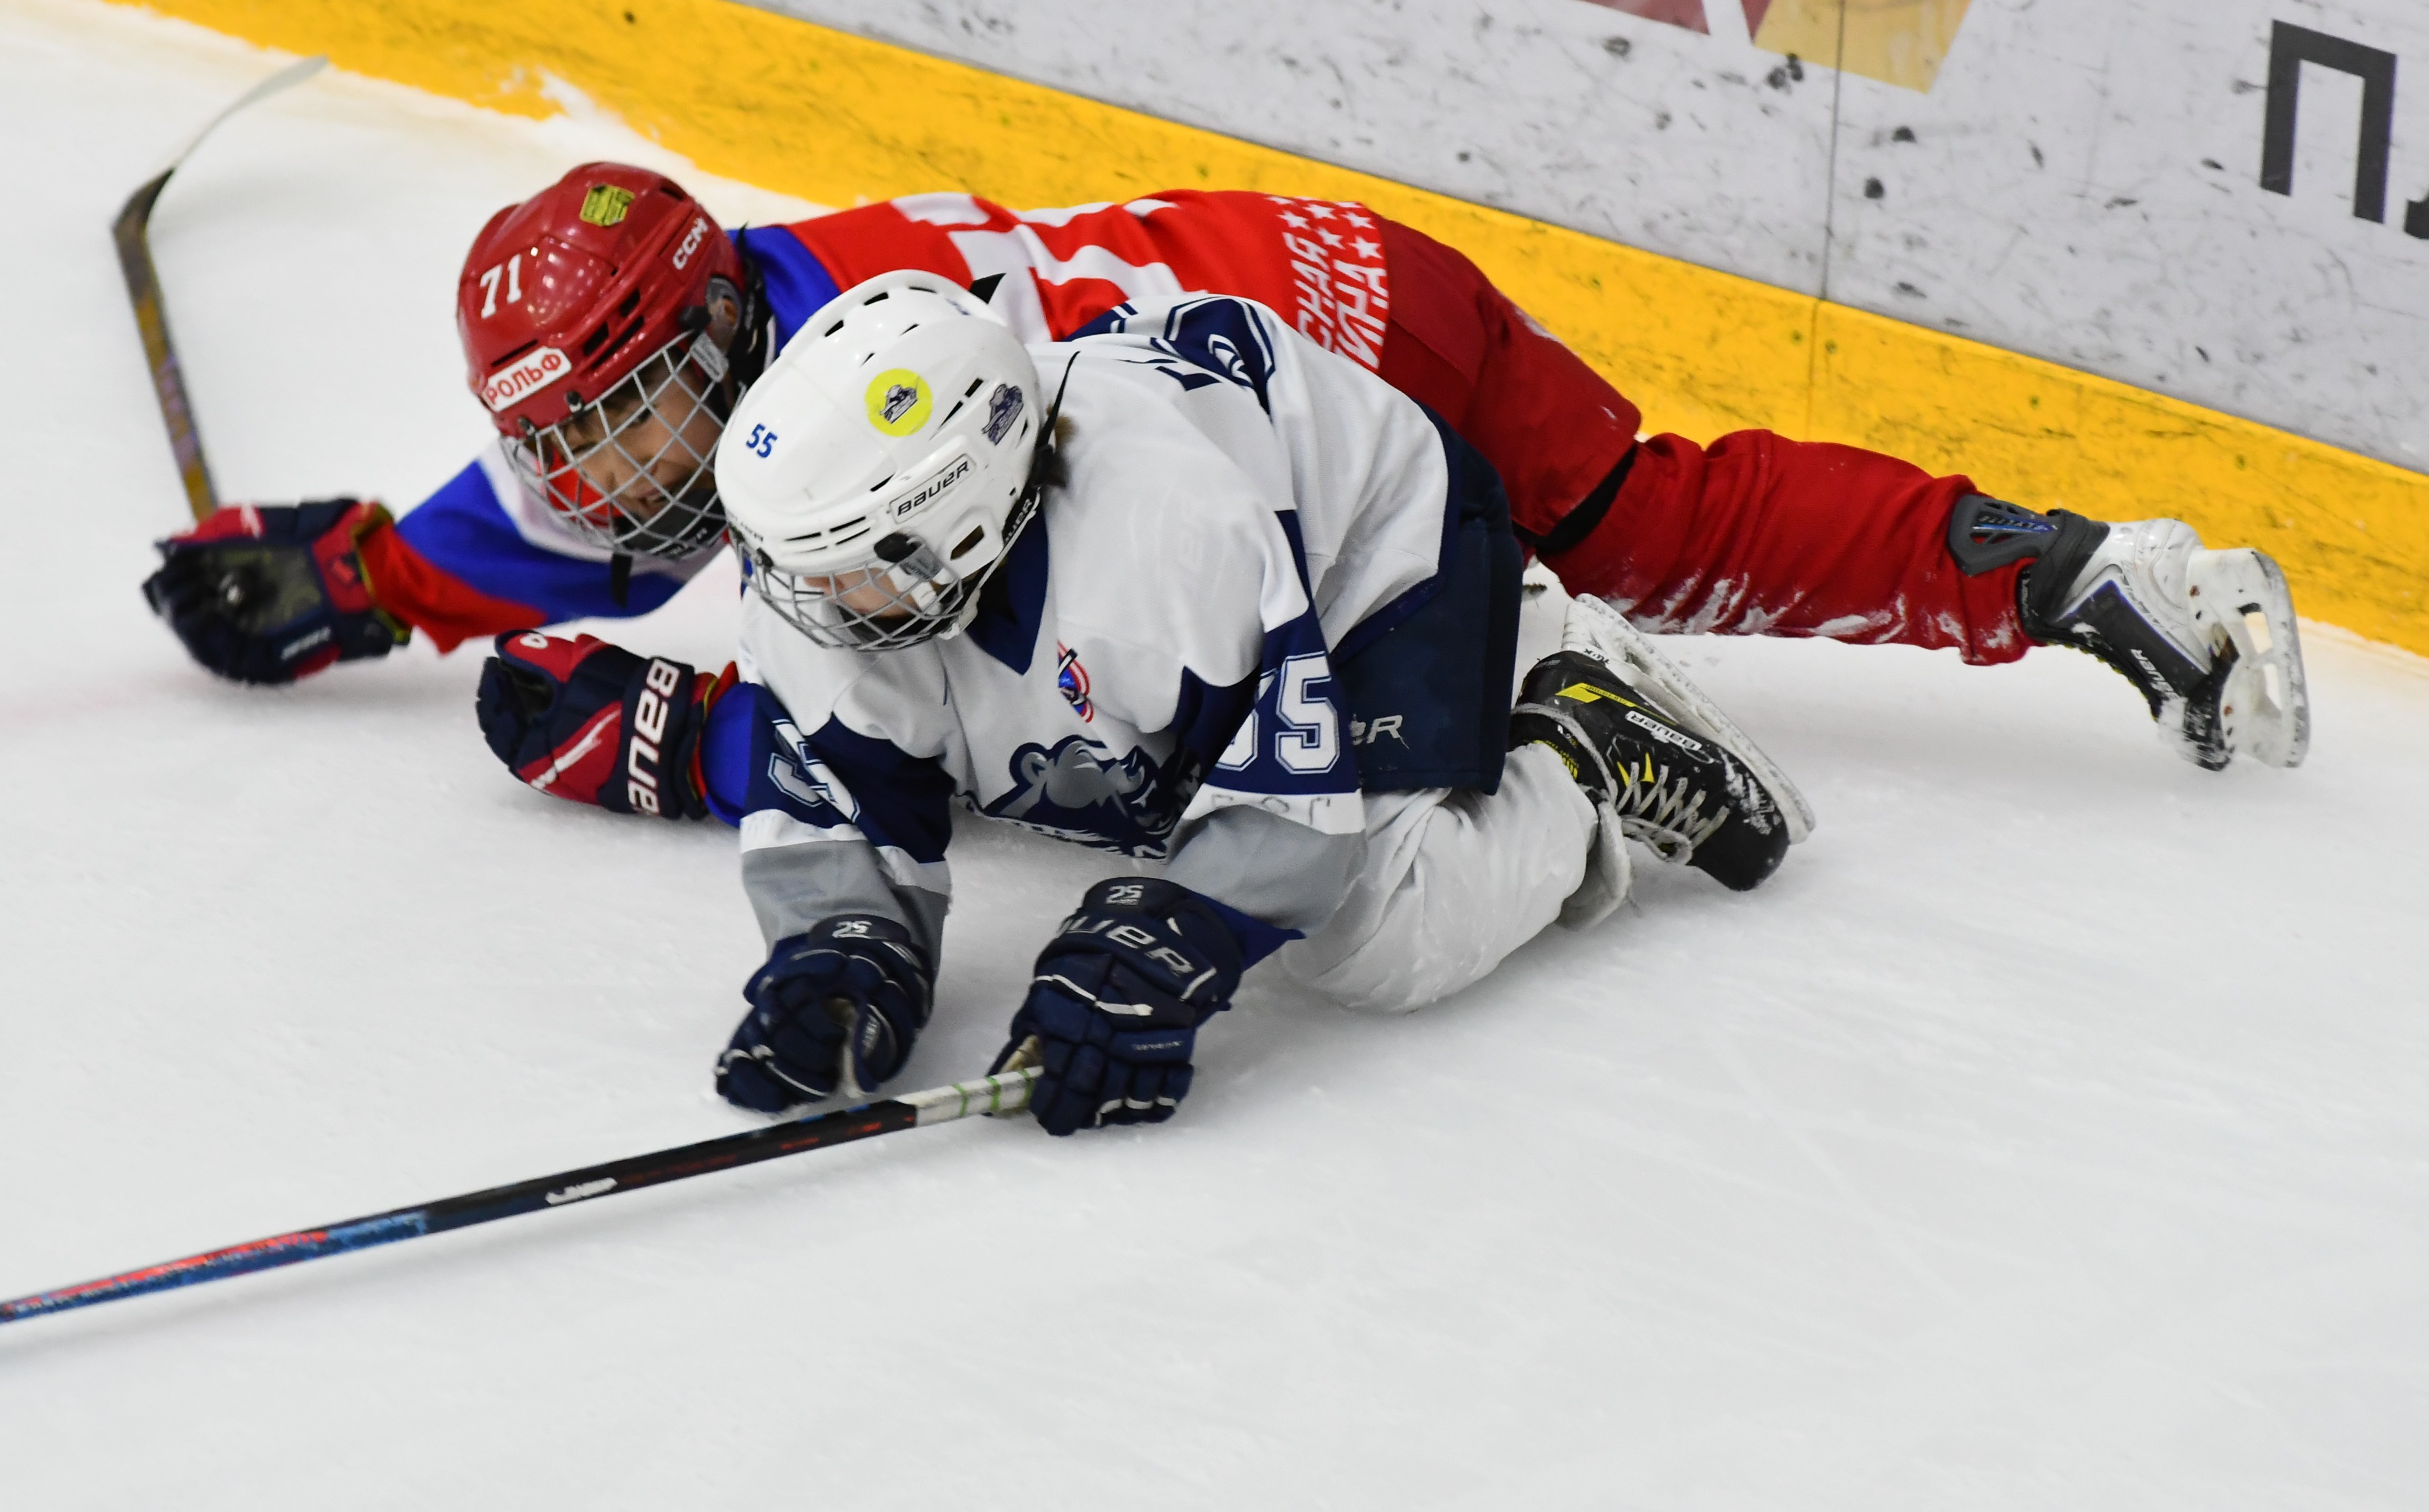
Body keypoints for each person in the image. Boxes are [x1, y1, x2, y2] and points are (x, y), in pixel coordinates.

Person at [141, 162, 2309, 805]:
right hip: (1318, 274)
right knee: (1657, 506)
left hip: (1286, 396)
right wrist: (358, 568)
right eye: (565, 432)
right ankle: (2070, 571)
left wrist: (682, 745)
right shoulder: (776, 299)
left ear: (713, 353)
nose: (596, 469)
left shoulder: (835, 397)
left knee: (1165, 746)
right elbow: (581, 491)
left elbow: (995, 724)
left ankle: (1549, 705)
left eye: (615, 415)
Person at [704, 270, 1811, 1129]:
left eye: (849, 566)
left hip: (1368, 551)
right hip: (1216, 573)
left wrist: (1173, 937)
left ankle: (1580, 745)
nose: (807, 604)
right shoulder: (839, 584)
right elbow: (843, 793)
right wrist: (840, 950)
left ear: (958, 511)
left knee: (1379, 931)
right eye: (792, 565)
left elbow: (1294, 813)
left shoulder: (1167, 531)